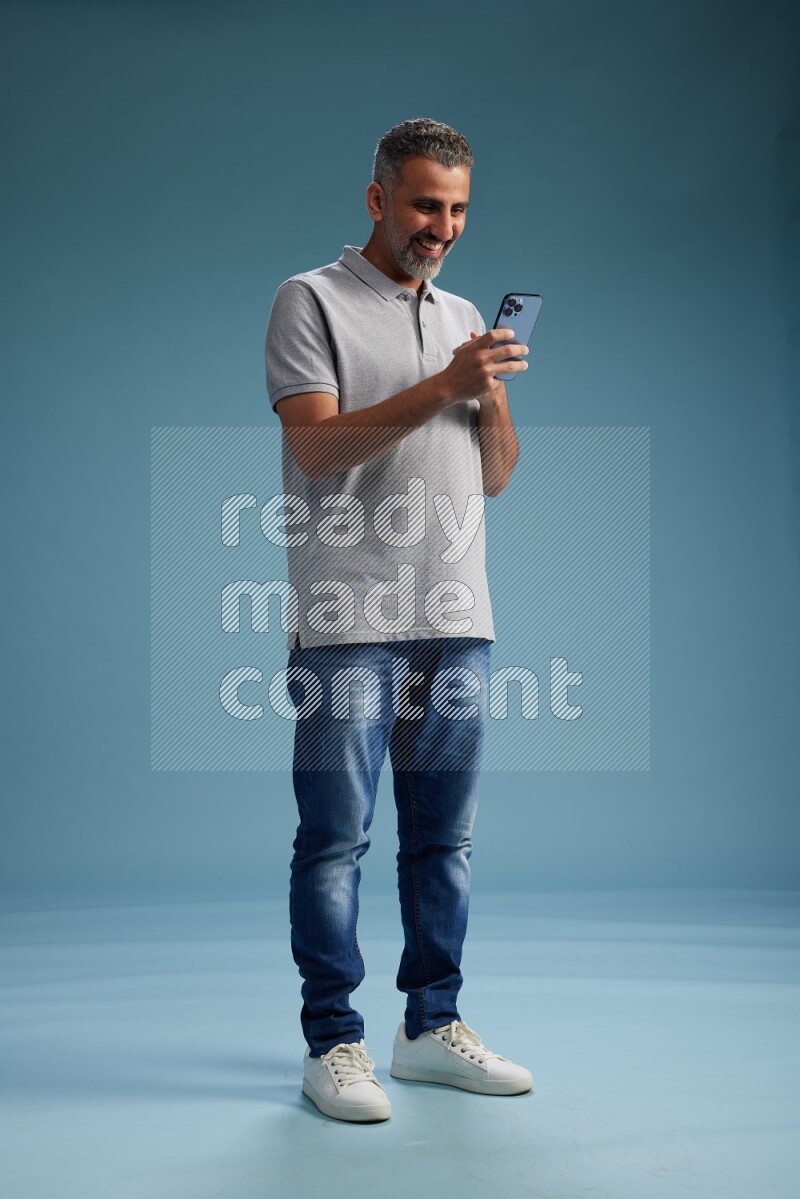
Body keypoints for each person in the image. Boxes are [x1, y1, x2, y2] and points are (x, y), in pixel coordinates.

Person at [264, 117, 533, 1123]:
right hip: (349, 613)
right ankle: (333, 1043)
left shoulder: (461, 312)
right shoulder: (310, 300)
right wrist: (441, 384)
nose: (442, 226)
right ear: (377, 199)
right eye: (426, 203)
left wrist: (488, 391)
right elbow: (319, 450)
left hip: (456, 611)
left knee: (443, 842)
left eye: (458, 208)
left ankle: (428, 1027)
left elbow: (494, 477)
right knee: (335, 839)